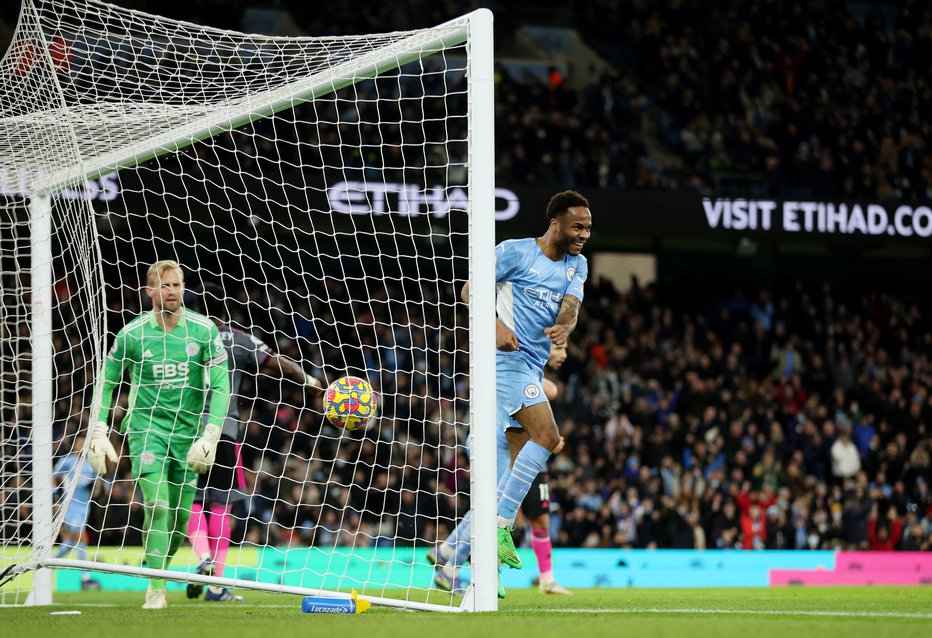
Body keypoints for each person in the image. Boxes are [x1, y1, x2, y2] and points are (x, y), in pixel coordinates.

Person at [431, 190, 590, 595]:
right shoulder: (516, 252)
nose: (583, 234)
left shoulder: (578, 265)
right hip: (503, 363)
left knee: (505, 478)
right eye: (577, 226)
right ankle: (500, 527)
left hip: (529, 365)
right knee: (549, 438)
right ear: (555, 223)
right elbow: (470, 291)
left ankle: (457, 556)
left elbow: (570, 307)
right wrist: (494, 325)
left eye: (588, 228)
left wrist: (564, 329)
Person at [87, 259, 231, 609]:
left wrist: (210, 435)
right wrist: (99, 429)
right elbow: (107, 381)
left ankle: (157, 570)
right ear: (150, 290)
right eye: (164, 285)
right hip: (146, 428)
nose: (171, 291)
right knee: (157, 504)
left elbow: (222, 384)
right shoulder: (132, 334)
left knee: (181, 520)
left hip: (189, 435)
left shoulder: (203, 330)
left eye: (177, 285)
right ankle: (156, 588)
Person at [185, 282, 324, 602]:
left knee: (190, 501)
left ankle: (201, 557)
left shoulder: (179, 340)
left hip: (184, 431)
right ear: (224, 313)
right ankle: (217, 584)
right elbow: (277, 363)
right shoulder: (235, 338)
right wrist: (310, 381)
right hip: (223, 432)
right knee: (222, 504)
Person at [431, 345, 573, 596]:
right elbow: (550, 390)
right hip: (495, 443)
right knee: (490, 509)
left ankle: (446, 551)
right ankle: (450, 567)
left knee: (488, 506)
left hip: (494, 440)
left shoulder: (520, 368)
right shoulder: (519, 365)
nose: (563, 354)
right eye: (559, 348)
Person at [51, 432, 102, 591]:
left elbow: (97, 488)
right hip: (70, 505)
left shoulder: (91, 464)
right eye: (79, 443)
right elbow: (54, 476)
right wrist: (56, 495)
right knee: (80, 538)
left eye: (84, 443)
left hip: (85, 506)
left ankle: (49, 563)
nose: (81, 446)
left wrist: (96, 486)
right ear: (74, 445)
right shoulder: (68, 461)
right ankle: (85, 578)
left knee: (72, 542)